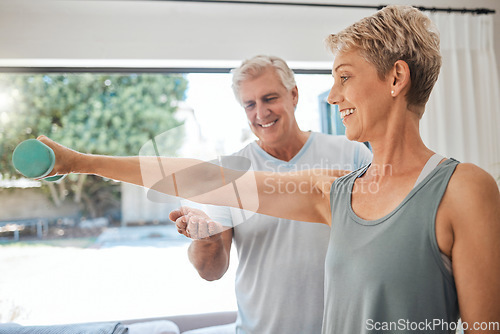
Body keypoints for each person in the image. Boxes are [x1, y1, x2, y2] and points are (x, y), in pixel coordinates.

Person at [35, 5, 499, 333]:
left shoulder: (464, 190)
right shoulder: (335, 192)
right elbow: (204, 177)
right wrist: (79, 162)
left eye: (344, 77)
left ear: (396, 79)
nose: (333, 96)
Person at [168, 55, 372, 334]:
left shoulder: (352, 155)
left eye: (270, 98)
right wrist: (206, 237)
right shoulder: (228, 173)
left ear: (294, 95)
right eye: (250, 104)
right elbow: (211, 271)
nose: (260, 113)